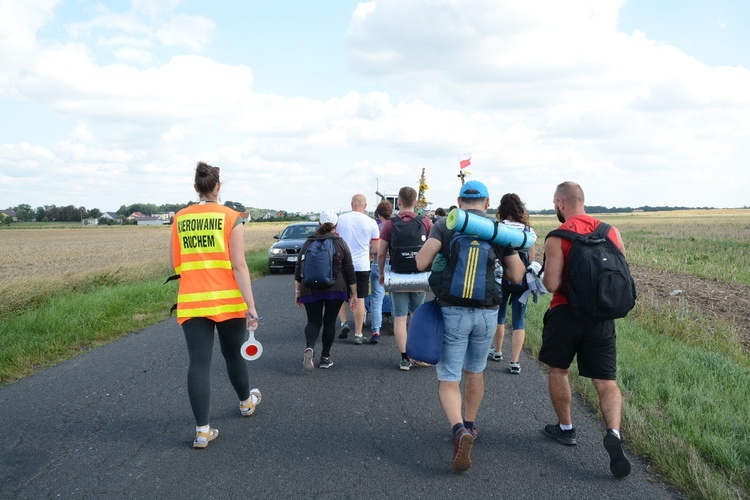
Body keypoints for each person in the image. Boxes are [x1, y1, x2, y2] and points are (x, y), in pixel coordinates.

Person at [415, 180, 525, 472]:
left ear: (459, 201)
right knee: (475, 371)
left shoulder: (445, 225)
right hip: (487, 312)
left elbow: (421, 262)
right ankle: (471, 425)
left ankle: (458, 431)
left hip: (452, 310)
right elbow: (516, 274)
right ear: (487, 204)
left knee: (449, 377)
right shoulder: (497, 231)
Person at [539, 181, 632, 478]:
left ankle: (566, 428)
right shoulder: (610, 232)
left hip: (565, 313)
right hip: (601, 318)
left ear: (560, 203)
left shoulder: (557, 237)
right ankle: (614, 433)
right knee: (606, 381)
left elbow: (551, 284)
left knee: (559, 371)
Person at [169, 161, 261, 449]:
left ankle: (202, 431)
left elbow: (175, 263)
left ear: (196, 187)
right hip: (227, 300)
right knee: (233, 355)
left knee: (199, 363)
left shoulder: (179, 218)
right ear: (218, 187)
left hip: (193, 301)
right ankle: (246, 403)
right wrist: (251, 306)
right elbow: (240, 265)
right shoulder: (231, 217)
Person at [377, 186, 433, 371]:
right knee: (417, 316)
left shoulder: (390, 224)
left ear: (398, 202)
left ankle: (404, 359)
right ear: (416, 202)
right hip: (419, 275)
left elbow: (381, 253)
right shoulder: (425, 222)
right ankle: (418, 355)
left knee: (400, 318)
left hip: (398, 275)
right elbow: (435, 249)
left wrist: (382, 273)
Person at [295, 210, 357, 370]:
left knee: (313, 321)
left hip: (310, 288)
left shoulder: (309, 242)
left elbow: (299, 268)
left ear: (318, 224)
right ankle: (325, 357)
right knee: (329, 321)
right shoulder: (340, 242)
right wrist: (354, 294)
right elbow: (349, 269)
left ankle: (310, 347)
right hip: (336, 289)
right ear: (336, 225)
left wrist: (298, 292)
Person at [488, 193, 537, 374]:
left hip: (502, 278)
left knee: (499, 316)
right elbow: (532, 258)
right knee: (519, 320)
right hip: (522, 280)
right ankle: (515, 361)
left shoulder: (499, 228)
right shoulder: (528, 230)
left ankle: (498, 351)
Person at [335, 194, 380, 345]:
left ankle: (343, 323)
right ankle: (358, 333)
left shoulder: (340, 220)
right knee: (360, 298)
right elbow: (375, 247)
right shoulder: (371, 222)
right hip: (362, 265)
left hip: (342, 264)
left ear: (351, 204)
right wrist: (370, 254)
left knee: (342, 295)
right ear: (365, 206)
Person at [368, 199, 393, 344]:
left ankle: (376, 330)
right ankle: (397, 326)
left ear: (378, 213)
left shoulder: (375, 226)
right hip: (394, 264)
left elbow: (374, 249)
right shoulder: (396, 225)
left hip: (378, 264)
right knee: (396, 298)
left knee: (377, 299)